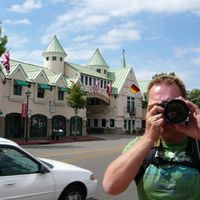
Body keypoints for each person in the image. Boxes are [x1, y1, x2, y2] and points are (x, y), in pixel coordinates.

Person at [102, 74, 200, 200]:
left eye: (173, 106)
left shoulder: (197, 143)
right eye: (158, 107)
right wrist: (148, 138)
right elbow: (111, 187)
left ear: (186, 106)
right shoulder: (141, 146)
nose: (167, 113)